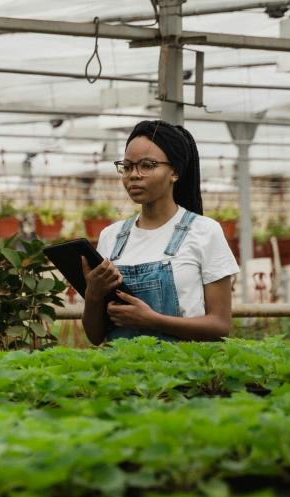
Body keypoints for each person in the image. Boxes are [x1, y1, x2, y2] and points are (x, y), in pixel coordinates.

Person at [81, 120, 237, 344]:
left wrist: (154, 321)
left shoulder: (204, 231)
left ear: (174, 171)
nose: (134, 175)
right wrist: (93, 296)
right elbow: (95, 337)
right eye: (127, 167)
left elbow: (220, 325)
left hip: (183, 373)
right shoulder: (111, 237)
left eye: (147, 165)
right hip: (122, 375)